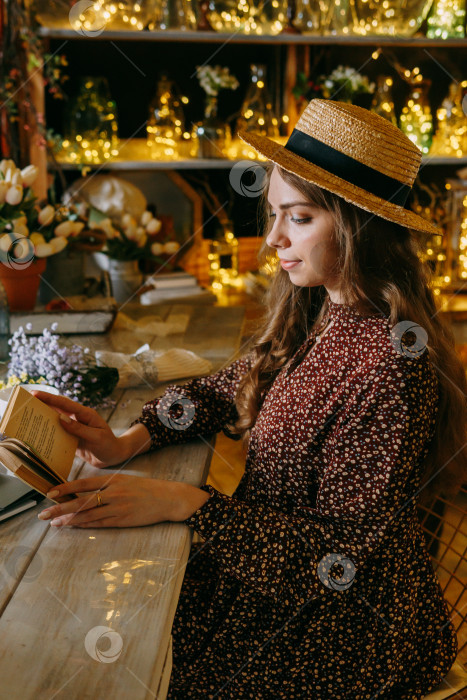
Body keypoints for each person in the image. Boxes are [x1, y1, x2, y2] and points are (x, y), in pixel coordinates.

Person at [35, 99, 467, 699]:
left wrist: (188, 503)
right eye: (273, 214)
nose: (272, 239)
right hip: (266, 574)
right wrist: (132, 437)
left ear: (357, 224)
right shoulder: (323, 307)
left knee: (120, 661)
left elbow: (337, 560)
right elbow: (232, 383)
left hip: (338, 629)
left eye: (299, 218)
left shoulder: (391, 366)